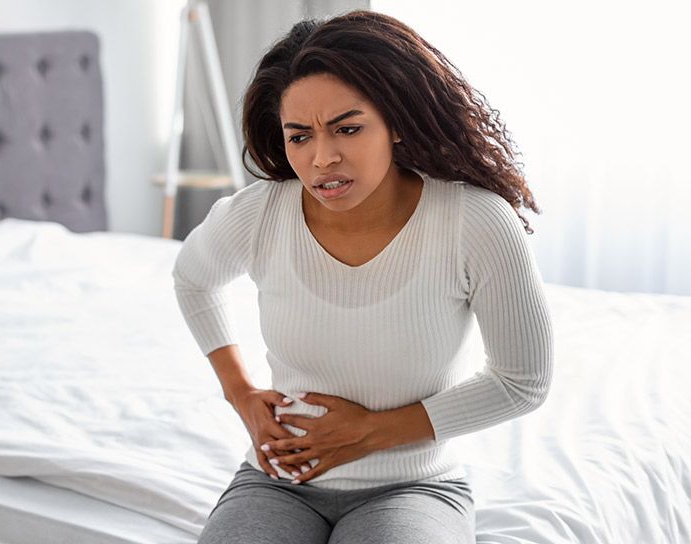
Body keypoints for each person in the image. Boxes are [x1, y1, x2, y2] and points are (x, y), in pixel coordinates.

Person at [172, 9, 554, 544]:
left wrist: (370, 433)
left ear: (395, 122)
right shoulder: (258, 214)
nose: (322, 158)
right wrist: (240, 394)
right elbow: (193, 278)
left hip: (414, 487)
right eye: (299, 136)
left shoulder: (474, 220)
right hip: (278, 481)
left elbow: (524, 381)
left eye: (347, 129)